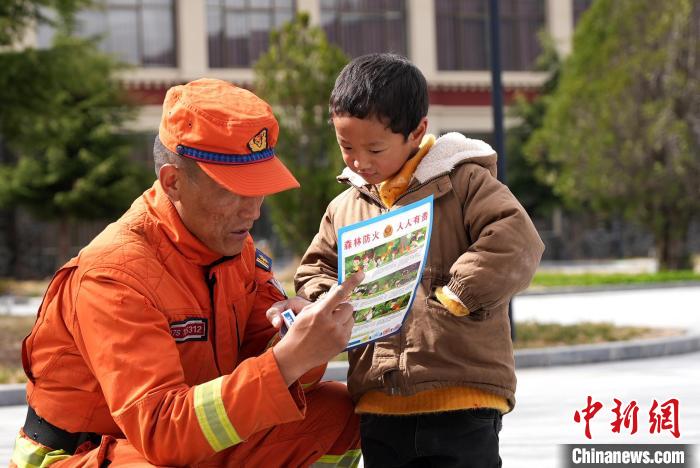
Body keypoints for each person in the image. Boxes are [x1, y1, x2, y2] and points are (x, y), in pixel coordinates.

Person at [10, 78, 364, 468]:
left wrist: (299, 337)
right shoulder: (114, 275)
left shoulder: (234, 248)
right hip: (87, 454)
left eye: (259, 187)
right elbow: (162, 431)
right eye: (233, 191)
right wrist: (286, 361)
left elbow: (262, 367)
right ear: (173, 182)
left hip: (176, 442)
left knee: (335, 414)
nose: (253, 211)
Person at [294, 53, 545, 467]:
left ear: (417, 132)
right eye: (346, 147)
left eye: (375, 148)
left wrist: (459, 293)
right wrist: (326, 302)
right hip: (378, 402)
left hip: (461, 397)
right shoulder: (344, 207)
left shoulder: (463, 182)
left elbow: (516, 238)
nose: (359, 161)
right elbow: (315, 269)